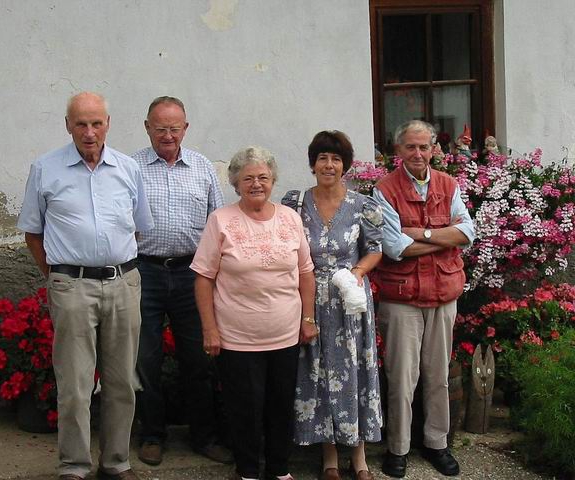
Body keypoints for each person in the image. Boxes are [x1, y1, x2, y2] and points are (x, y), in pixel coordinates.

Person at [18, 92, 152, 480]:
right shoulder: (45, 169)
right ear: (68, 126)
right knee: (75, 385)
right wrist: (58, 276)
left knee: (122, 381)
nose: (89, 132)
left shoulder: (128, 168)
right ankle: (74, 465)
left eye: (96, 123)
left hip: (123, 283)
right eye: (81, 124)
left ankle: (116, 462)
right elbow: (33, 233)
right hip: (72, 286)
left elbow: (138, 228)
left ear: (108, 124)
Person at [191, 146, 316, 480]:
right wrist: (209, 329)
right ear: (236, 183)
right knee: (244, 409)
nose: (256, 184)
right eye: (248, 178)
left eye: (263, 177)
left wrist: (307, 319)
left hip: (285, 334)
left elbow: (306, 272)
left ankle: (279, 470)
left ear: (273, 180)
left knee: (281, 406)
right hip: (237, 337)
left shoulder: (290, 218)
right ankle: (247, 471)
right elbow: (204, 278)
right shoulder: (221, 220)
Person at [372, 120, 475, 478]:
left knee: (438, 375)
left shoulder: (449, 184)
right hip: (402, 297)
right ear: (398, 150)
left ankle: (437, 443)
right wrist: (444, 237)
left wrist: (422, 234)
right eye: (410, 147)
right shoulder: (385, 189)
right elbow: (394, 247)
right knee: (402, 378)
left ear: (434, 149)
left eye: (423, 147)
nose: (417, 153)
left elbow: (468, 232)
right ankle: (397, 448)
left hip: (443, 293)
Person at [131, 96, 231, 466]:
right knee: (146, 359)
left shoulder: (203, 167)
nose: (168, 135)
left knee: (199, 358)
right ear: (147, 128)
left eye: (174, 128)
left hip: (193, 274)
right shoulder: (130, 168)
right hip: (145, 271)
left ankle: (203, 436)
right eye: (160, 128)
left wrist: (216, 275)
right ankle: (152, 435)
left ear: (185, 128)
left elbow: (217, 224)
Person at [287, 131, 384, 480]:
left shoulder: (364, 205)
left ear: (345, 166)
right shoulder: (295, 204)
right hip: (310, 299)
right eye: (323, 158)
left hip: (349, 301)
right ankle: (328, 455)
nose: (329, 165)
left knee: (353, 372)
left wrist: (356, 272)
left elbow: (375, 250)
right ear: (313, 164)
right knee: (319, 371)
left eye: (336, 159)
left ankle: (359, 456)